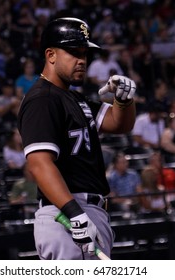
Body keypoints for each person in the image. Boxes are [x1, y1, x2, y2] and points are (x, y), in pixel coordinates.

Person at [18, 17, 136, 260]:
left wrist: (123, 100)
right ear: (50, 55)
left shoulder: (73, 98)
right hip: (66, 215)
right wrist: (74, 213)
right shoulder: (42, 99)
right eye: (73, 52)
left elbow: (119, 123)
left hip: (88, 212)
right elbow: (40, 164)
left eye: (84, 53)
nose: (82, 60)